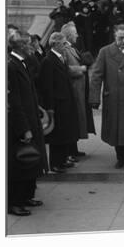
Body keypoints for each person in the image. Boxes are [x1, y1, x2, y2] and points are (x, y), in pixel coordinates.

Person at [89, 25, 124, 175]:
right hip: (114, 99)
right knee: (116, 131)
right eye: (121, 38)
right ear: (115, 36)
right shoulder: (105, 52)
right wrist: (95, 98)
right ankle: (120, 158)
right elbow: (96, 76)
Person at [7, 31, 47, 216]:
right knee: (21, 162)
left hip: (31, 118)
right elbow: (14, 101)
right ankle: (15, 201)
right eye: (29, 44)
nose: (32, 47)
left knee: (31, 161)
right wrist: (24, 129)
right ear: (21, 46)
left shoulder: (21, 63)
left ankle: (26, 196)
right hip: (22, 125)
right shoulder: (11, 66)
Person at [37, 32, 80, 174]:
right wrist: (50, 108)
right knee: (57, 135)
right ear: (55, 44)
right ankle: (55, 163)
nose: (65, 46)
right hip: (57, 104)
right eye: (63, 43)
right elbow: (47, 86)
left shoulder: (60, 58)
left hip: (65, 102)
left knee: (64, 133)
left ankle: (62, 160)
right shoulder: (48, 60)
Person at [61, 22, 96, 162]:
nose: (77, 35)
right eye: (74, 33)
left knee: (78, 119)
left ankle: (73, 149)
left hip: (79, 88)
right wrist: (80, 69)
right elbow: (64, 68)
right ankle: (70, 150)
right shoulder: (64, 48)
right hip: (74, 88)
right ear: (69, 36)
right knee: (73, 119)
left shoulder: (71, 48)